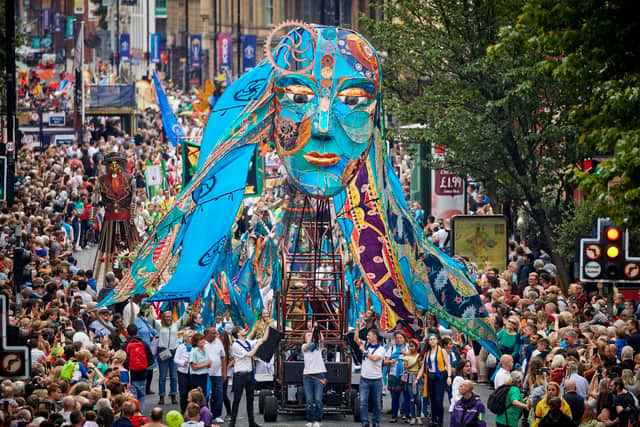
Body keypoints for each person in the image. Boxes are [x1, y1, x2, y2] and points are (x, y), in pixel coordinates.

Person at [228, 325, 269, 427]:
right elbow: (249, 354)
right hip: (240, 375)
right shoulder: (235, 345)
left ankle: (252, 422)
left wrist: (267, 326)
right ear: (238, 334)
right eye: (242, 329)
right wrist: (257, 345)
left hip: (249, 374)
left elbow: (263, 339)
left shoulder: (247, 342)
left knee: (250, 399)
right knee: (237, 400)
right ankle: (232, 423)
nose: (244, 330)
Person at [414, 334, 452, 427]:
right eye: (430, 339)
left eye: (434, 339)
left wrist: (449, 376)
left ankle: (440, 421)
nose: (432, 341)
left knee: (439, 400)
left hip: (440, 377)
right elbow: (423, 368)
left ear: (437, 340)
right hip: (430, 377)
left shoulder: (442, 351)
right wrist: (417, 378)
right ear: (428, 342)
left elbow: (448, 364)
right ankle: (434, 420)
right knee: (432, 400)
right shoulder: (427, 353)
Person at [355, 319, 386, 427]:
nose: (367, 337)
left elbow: (374, 358)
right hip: (364, 379)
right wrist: (357, 326)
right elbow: (356, 339)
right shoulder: (366, 344)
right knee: (363, 402)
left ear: (375, 337)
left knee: (377, 403)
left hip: (376, 379)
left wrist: (364, 351)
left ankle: (376, 421)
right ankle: (365, 421)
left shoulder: (381, 349)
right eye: (367, 335)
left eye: (369, 335)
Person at [150, 310, 181, 405]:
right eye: (166, 316)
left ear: (172, 317)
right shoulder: (159, 326)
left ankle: (173, 395)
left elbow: (185, 317)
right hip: (163, 351)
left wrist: (190, 305)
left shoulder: (176, 325)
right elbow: (150, 318)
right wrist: (146, 307)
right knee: (162, 376)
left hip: (174, 351)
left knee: (174, 376)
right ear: (163, 317)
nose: (168, 318)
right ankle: (162, 396)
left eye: (169, 316)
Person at [124, 324, 154, 415]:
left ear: (127, 333)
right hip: (143, 375)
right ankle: (142, 418)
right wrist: (144, 366)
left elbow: (124, 362)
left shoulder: (125, 345)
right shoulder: (144, 344)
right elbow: (151, 359)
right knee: (142, 397)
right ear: (137, 332)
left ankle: (134, 418)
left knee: (134, 398)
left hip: (131, 376)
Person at [302, 323, 327, 427]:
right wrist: (312, 332)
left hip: (319, 374)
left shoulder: (318, 346)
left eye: (310, 335)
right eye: (307, 335)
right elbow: (308, 345)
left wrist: (317, 329)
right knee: (309, 400)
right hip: (308, 375)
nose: (310, 336)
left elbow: (322, 340)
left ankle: (317, 419)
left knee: (318, 399)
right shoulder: (304, 346)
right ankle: (310, 419)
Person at [385, 331, 410, 423]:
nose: (399, 339)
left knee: (407, 396)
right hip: (393, 374)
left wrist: (405, 354)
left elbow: (415, 357)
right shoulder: (392, 348)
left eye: (401, 337)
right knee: (395, 397)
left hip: (405, 374)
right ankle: (394, 415)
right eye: (397, 338)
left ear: (404, 338)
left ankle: (407, 415)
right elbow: (385, 361)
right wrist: (390, 361)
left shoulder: (408, 347)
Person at [204, 327, 227, 424]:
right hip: (205, 373)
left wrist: (224, 372)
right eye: (213, 333)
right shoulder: (202, 342)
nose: (215, 335)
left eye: (215, 333)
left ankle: (216, 415)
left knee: (218, 394)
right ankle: (206, 414)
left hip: (217, 373)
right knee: (205, 395)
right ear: (206, 334)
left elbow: (223, 357)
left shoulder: (218, 342)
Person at [174, 329, 195, 413]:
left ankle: (191, 410)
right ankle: (183, 410)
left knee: (192, 392)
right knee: (183, 392)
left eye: (193, 336)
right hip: (182, 372)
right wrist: (183, 363)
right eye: (190, 336)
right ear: (185, 338)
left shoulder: (195, 347)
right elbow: (175, 359)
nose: (191, 338)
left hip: (193, 372)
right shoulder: (181, 347)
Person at [404, 338, 424, 425]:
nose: (410, 348)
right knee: (412, 398)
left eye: (412, 346)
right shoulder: (407, 356)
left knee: (418, 398)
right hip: (409, 377)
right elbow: (406, 367)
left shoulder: (420, 355)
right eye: (409, 346)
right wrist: (415, 361)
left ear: (417, 347)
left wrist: (419, 361)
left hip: (418, 377)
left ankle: (418, 416)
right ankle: (412, 417)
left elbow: (421, 367)